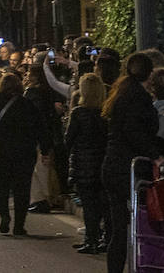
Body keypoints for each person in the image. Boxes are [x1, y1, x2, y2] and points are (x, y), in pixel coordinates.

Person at [100, 52, 164, 273]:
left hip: (113, 165)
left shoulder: (122, 92)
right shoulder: (138, 97)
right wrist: (155, 154)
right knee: (139, 226)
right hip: (129, 169)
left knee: (118, 228)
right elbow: (136, 132)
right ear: (150, 73)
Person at [0, 72, 50, 237]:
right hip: (24, 151)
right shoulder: (26, 104)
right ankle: (19, 225)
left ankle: (4, 215)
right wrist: (45, 149)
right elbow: (40, 128)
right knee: (22, 188)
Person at [65, 73, 107, 254]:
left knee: (89, 205)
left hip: (84, 164)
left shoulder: (78, 113)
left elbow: (69, 140)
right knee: (103, 204)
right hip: (103, 163)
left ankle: (91, 240)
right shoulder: (106, 113)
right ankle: (104, 237)